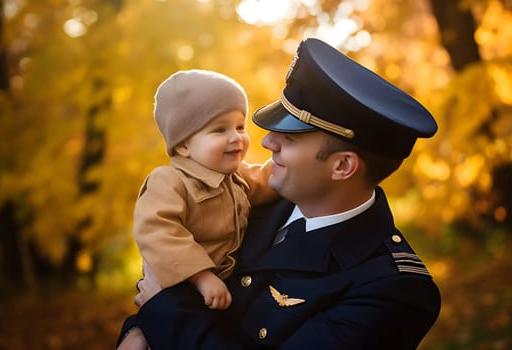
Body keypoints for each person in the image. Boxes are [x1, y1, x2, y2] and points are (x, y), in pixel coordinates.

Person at [117, 38, 441, 350]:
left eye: (292, 137)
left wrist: (161, 310)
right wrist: (139, 330)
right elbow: (174, 261)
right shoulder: (252, 199)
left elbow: (161, 297)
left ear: (342, 166)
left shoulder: (393, 289)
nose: (266, 142)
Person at [132, 69, 277, 321]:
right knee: (142, 338)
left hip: (219, 295)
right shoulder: (169, 181)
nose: (236, 137)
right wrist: (201, 276)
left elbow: (268, 180)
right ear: (183, 145)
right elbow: (159, 232)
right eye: (220, 130)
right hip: (178, 286)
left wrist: (295, 165)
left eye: (240, 126)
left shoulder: (236, 176)